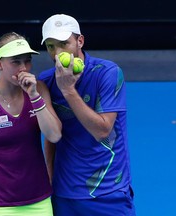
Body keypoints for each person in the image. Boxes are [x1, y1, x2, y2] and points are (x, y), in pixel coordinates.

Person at [38, 14, 136, 216]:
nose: (57, 53)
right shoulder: (46, 81)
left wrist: (68, 91)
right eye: (50, 46)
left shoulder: (107, 73)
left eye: (64, 43)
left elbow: (102, 130)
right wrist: (49, 177)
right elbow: (52, 135)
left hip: (109, 192)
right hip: (65, 194)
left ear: (80, 41)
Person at [0, 32, 62, 216]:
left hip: (40, 203)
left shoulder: (38, 90)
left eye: (27, 60)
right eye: (16, 62)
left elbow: (54, 135)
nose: (24, 67)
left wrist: (34, 97)